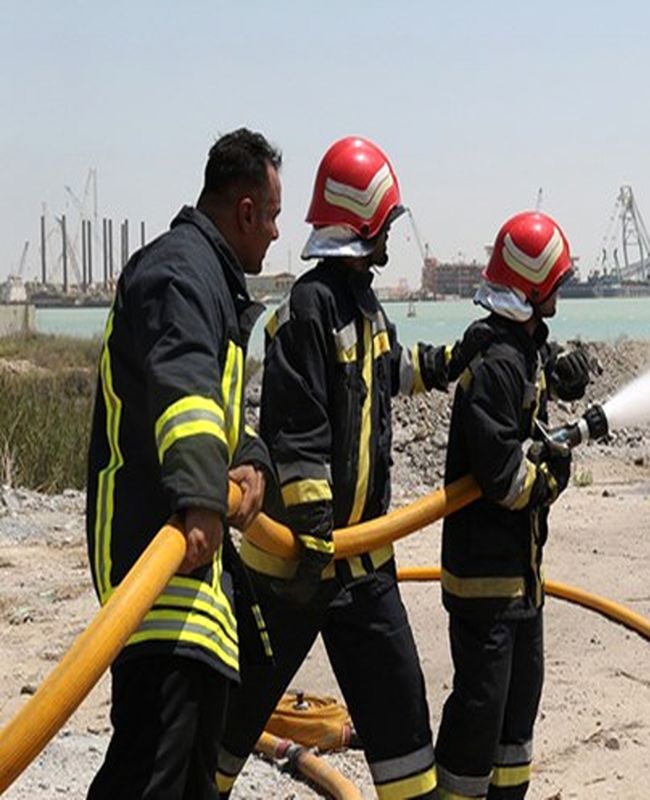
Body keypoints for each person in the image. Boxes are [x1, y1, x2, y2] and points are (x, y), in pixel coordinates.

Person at [216, 136, 493, 799]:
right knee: (226, 725)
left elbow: (390, 371)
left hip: (363, 572)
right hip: (291, 572)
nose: (392, 238)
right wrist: (313, 526)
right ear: (362, 225)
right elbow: (299, 424)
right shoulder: (308, 310)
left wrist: (457, 357)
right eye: (386, 225)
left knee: (403, 734)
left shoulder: (364, 305)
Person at [85, 128, 279, 799]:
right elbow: (183, 389)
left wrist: (252, 464)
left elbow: (221, 415)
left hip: (195, 582)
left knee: (190, 777)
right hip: (159, 562)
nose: (277, 235)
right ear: (246, 211)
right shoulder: (180, 273)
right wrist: (203, 499)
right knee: (151, 774)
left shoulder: (209, 284)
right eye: (274, 216)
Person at [434, 210, 581, 799]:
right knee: (480, 712)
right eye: (555, 283)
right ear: (532, 286)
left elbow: (534, 377)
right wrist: (549, 479)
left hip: (522, 580)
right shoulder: (495, 363)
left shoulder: (520, 348)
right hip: (485, 584)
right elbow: (502, 476)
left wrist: (564, 368)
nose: (561, 292)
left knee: (518, 713)